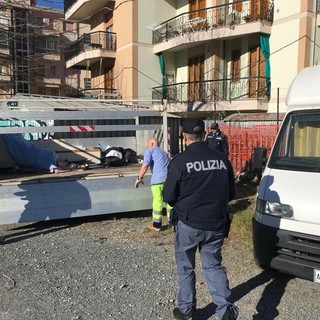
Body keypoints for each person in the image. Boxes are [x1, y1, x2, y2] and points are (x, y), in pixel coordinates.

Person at [163, 119, 239, 320]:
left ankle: (187, 310)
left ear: (184, 137)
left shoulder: (179, 161)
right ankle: (225, 311)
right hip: (215, 223)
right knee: (213, 266)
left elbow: (168, 197)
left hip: (188, 223)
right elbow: (231, 194)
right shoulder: (223, 160)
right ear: (204, 135)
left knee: (186, 267)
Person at [136, 138, 171, 231]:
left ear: (151, 143)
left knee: (157, 201)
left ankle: (157, 225)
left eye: (147, 144)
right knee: (169, 201)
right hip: (167, 180)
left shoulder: (149, 150)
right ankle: (173, 223)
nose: (146, 146)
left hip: (157, 181)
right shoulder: (164, 152)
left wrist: (139, 177)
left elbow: (145, 165)